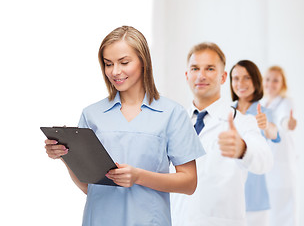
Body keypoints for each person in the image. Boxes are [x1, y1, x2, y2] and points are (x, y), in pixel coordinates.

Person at [44, 26, 205, 226]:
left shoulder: (172, 114)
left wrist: (138, 176)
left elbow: (189, 183)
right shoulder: (91, 114)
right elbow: (88, 187)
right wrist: (65, 156)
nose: (115, 72)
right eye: (108, 63)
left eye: (124, 62)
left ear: (143, 61)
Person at [170, 42, 273, 226]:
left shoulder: (241, 122)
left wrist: (243, 149)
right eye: (195, 68)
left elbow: (265, 160)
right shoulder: (174, 123)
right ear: (187, 75)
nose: (201, 75)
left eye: (210, 68)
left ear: (223, 77)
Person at [229, 60, 281, 226]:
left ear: (256, 81)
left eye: (247, 78)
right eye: (235, 78)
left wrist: (266, 126)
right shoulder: (226, 112)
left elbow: (274, 133)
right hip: (229, 193)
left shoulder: (264, 113)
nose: (240, 83)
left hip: (255, 197)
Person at [261, 65, 298, 226]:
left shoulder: (286, 102)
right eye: (268, 79)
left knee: (284, 211)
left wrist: (288, 123)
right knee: (271, 212)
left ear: (282, 83)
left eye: (276, 80)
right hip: (268, 164)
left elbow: (284, 120)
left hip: (282, 166)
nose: (271, 84)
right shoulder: (262, 103)